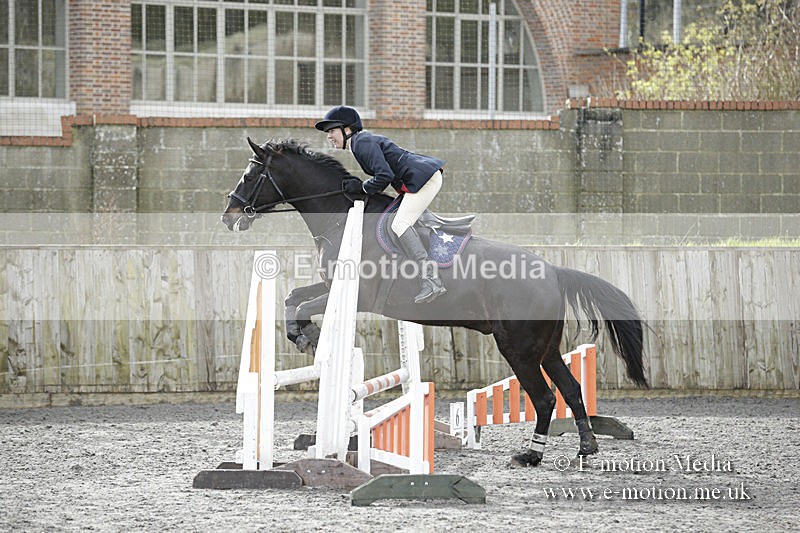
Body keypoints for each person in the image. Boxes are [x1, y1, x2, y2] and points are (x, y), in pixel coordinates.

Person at [315, 105, 447, 304]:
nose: (329, 136)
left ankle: (431, 280)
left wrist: (363, 187)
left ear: (347, 129)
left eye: (332, 130)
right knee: (395, 219)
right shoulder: (359, 143)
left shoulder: (362, 143)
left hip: (424, 179)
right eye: (328, 133)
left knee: (399, 224)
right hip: (417, 179)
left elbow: (385, 176)